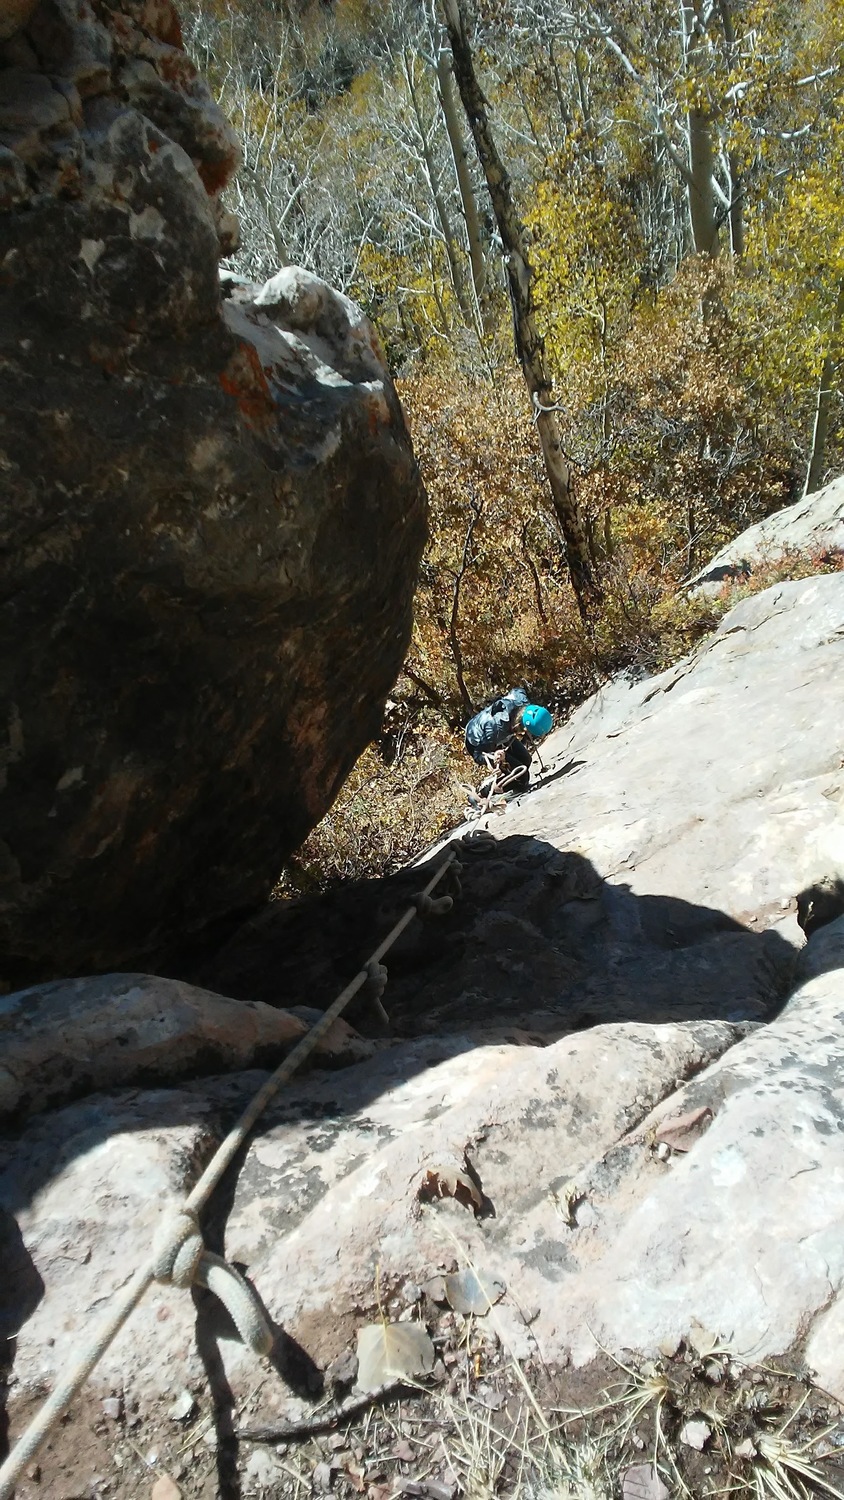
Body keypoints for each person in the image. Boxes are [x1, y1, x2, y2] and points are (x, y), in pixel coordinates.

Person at [464, 688, 553, 786]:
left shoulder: (522, 701)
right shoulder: (494, 729)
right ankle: (487, 789)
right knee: (522, 776)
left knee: (526, 760)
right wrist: (494, 756)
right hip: (478, 743)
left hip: (504, 730)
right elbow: (478, 755)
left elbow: (517, 690)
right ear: (521, 726)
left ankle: (509, 779)